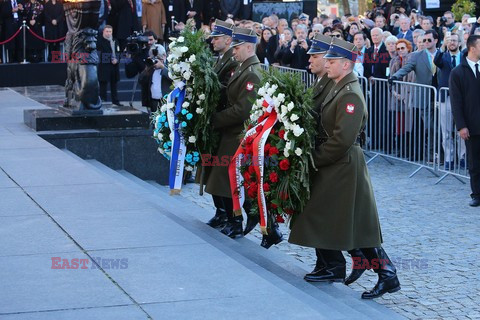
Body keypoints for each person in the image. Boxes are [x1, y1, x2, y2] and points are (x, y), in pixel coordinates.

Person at [289, 37, 400, 299]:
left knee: (359, 226)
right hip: (337, 165)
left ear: (346, 65)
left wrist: (312, 158)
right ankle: (343, 267)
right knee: (350, 223)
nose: (326, 64)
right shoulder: (339, 86)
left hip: (344, 166)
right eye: (326, 60)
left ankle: (387, 274)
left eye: (332, 61)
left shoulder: (350, 93)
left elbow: (341, 140)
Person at [206, 27, 262, 240]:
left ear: (249, 47)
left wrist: (215, 120)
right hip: (230, 132)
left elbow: (242, 110)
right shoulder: (242, 67)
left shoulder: (252, 73)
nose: (234, 50)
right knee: (225, 180)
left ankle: (237, 222)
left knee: (231, 180)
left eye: (237, 47)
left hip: (238, 133)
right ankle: (232, 219)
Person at [203, 19, 238, 229]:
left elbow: (223, 89)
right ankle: (221, 212)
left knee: (223, 175)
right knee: (213, 171)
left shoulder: (231, 61)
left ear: (228, 39)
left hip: (226, 124)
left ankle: (229, 216)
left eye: (217, 38)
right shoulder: (220, 58)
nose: (213, 41)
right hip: (218, 124)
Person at [389, 29, 439, 161]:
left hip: (440, 95)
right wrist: (395, 76)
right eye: (424, 40)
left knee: (442, 127)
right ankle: (431, 155)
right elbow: (407, 68)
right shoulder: (417, 55)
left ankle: (441, 155)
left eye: (429, 40)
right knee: (429, 126)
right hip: (424, 96)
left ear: (436, 41)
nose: (426, 42)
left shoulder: (442, 54)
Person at [449, 35, 480, 207]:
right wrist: (461, 126)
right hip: (471, 125)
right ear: (472, 48)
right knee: (475, 162)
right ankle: (477, 193)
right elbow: (456, 101)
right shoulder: (458, 72)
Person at [434, 33, 466, 170]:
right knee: (446, 130)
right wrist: (442, 46)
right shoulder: (443, 57)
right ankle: (449, 158)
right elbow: (436, 61)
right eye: (449, 40)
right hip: (445, 97)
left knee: (462, 129)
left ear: (459, 43)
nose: (452, 43)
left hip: (463, 97)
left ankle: (463, 157)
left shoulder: (464, 56)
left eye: (454, 40)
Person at [138, 43, 172, 113]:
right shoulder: (151, 68)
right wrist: (147, 68)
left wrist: (162, 67)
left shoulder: (170, 66)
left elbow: (172, 77)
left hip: (166, 102)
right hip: (153, 102)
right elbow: (141, 80)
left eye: (158, 58)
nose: (156, 61)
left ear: (164, 56)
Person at [97, 25, 122, 106]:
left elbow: (118, 52)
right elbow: (99, 54)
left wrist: (117, 59)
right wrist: (111, 59)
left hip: (114, 67)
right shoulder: (99, 41)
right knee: (103, 85)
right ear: (103, 32)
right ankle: (102, 100)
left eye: (110, 31)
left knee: (114, 84)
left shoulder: (115, 41)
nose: (108, 33)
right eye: (107, 31)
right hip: (104, 66)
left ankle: (115, 101)